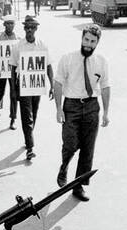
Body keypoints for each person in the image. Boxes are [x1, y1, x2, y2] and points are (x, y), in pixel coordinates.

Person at [54, 24, 110, 202]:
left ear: (97, 43)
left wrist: (106, 112)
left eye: (93, 41)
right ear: (81, 39)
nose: (88, 44)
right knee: (70, 144)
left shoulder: (101, 61)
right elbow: (58, 83)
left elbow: (106, 86)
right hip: (71, 106)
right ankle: (64, 167)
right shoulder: (68, 58)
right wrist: (58, 109)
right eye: (86, 40)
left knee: (87, 149)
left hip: (92, 106)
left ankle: (78, 186)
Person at [9, 16, 54, 161]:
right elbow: (13, 68)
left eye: (32, 27)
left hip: (36, 85)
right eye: (27, 27)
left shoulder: (42, 45)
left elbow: (48, 66)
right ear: (24, 28)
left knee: (34, 114)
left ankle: (28, 137)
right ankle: (30, 147)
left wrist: (52, 85)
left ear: (36, 29)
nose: (29, 30)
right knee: (26, 116)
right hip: (23, 86)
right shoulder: (18, 46)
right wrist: (13, 90)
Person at [0, 14, 19, 129]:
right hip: (2, 70)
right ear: (4, 25)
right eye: (7, 23)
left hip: (13, 71)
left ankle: (13, 118)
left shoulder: (18, 38)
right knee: (0, 92)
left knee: (14, 94)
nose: (9, 26)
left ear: (14, 25)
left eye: (11, 23)